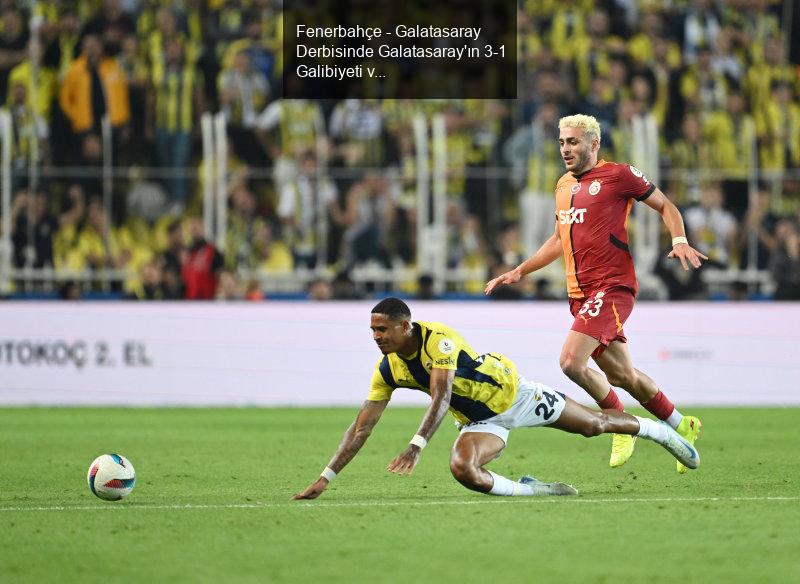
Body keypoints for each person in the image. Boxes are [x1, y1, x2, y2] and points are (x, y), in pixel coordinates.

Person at [293, 298, 699, 500]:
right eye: (372, 331)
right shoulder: (388, 370)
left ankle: (661, 433)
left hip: (513, 395)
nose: (377, 338)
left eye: (383, 330)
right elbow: (362, 425)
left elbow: (441, 394)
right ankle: (537, 491)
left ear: (405, 326)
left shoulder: (440, 340)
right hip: (478, 422)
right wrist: (326, 478)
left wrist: (417, 445)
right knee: (462, 469)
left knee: (594, 425)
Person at [485, 114, 707, 473]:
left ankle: (621, 423)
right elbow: (558, 240)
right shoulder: (561, 186)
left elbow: (666, 206)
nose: (565, 149)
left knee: (571, 362)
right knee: (623, 376)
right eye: (561, 142)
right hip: (580, 296)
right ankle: (683, 424)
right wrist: (519, 271)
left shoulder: (619, 175)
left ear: (593, 144)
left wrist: (679, 239)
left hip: (612, 288)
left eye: (573, 142)